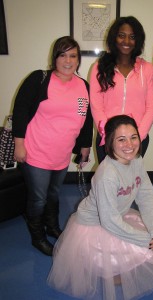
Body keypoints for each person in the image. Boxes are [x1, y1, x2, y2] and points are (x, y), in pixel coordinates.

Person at [47, 115, 153, 300]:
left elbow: (147, 196)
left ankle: (105, 267)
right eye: (121, 139)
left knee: (141, 252)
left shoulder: (137, 160)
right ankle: (86, 261)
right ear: (110, 142)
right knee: (118, 270)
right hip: (95, 224)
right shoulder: (107, 175)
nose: (130, 144)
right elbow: (110, 222)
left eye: (133, 137)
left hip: (118, 214)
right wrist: (147, 240)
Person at [12, 36, 93, 256]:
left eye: (73, 55)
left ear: (78, 59)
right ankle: (37, 237)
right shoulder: (40, 79)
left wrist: (85, 147)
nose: (68, 60)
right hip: (36, 151)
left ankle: (52, 227)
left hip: (62, 153)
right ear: (55, 57)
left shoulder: (82, 86)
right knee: (39, 197)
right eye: (63, 55)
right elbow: (20, 111)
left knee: (54, 193)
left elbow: (85, 119)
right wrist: (19, 144)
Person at [90, 16, 153, 163]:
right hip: (107, 137)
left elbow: (152, 106)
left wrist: (138, 136)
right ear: (114, 38)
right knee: (107, 181)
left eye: (132, 37)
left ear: (137, 40)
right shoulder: (99, 67)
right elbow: (96, 105)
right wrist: (109, 136)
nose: (126, 41)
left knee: (130, 181)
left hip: (137, 137)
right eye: (121, 36)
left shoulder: (147, 69)